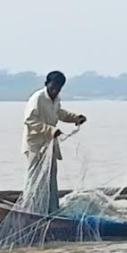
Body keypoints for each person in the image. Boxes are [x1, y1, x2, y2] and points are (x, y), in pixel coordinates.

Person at [21, 71, 86, 214]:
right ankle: (29, 209)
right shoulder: (37, 98)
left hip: (49, 145)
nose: (55, 90)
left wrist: (75, 118)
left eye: (58, 88)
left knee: (50, 179)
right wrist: (50, 130)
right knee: (35, 178)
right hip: (36, 145)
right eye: (52, 87)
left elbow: (59, 113)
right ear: (46, 84)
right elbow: (29, 121)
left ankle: (50, 210)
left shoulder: (56, 99)